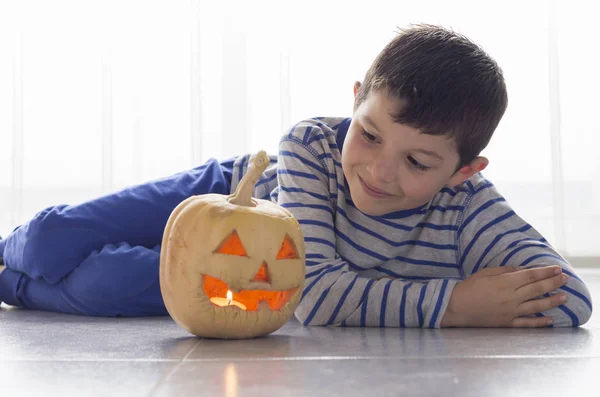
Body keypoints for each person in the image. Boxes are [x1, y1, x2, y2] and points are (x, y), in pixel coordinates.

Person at [0, 24, 592, 327]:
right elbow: (319, 293)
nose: (378, 171)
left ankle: (11, 286)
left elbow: (571, 301)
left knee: (103, 282)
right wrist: (458, 304)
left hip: (255, 275)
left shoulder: (471, 208)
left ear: (465, 171)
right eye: (370, 134)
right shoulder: (310, 145)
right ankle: (11, 252)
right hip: (239, 189)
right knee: (54, 240)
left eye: (417, 162)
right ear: (356, 100)